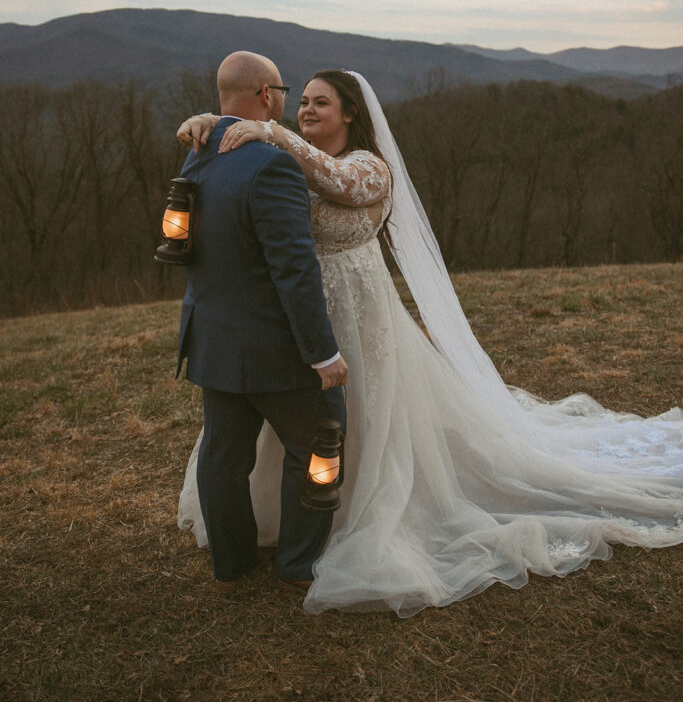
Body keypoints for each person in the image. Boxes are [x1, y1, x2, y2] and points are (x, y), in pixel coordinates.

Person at [177, 70, 682, 616]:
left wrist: (271, 132)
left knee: (346, 427)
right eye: (300, 101)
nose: (306, 110)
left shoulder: (369, 168)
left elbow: (335, 183)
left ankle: (346, 522)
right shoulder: (276, 161)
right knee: (294, 435)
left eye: (321, 102)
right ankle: (280, 530)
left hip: (354, 315)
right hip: (290, 322)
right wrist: (217, 122)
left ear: (351, 114)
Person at [175, 52, 347, 593]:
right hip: (276, 351)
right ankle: (297, 564)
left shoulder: (197, 155)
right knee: (318, 447)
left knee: (223, 457)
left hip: (214, 341)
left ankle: (232, 563)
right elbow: (294, 271)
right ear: (268, 95)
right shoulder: (272, 164)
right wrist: (323, 354)